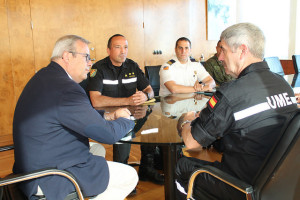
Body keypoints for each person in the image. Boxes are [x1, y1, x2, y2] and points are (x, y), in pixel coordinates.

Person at [175, 23, 298, 200]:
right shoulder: (283, 85)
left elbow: (192, 142)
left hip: (240, 186)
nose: (219, 57)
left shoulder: (231, 93)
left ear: (242, 51)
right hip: (278, 183)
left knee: (182, 166)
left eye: (223, 50)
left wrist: (185, 121)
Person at [13, 35, 138, 200]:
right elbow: (107, 135)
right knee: (129, 176)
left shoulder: (45, 77)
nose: (90, 63)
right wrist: (127, 120)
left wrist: (108, 115)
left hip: (32, 164)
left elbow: (74, 114)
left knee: (97, 150)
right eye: (86, 57)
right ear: (67, 56)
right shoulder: (66, 89)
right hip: (49, 176)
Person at [87, 34, 164, 185]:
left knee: (153, 124)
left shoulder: (132, 65)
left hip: (132, 113)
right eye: (118, 47)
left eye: (126, 47)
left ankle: (146, 169)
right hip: (108, 116)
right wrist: (127, 101)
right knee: (125, 131)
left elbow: (149, 89)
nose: (123, 51)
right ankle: (122, 177)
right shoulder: (98, 69)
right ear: (108, 50)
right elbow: (95, 100)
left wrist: (145, 95)